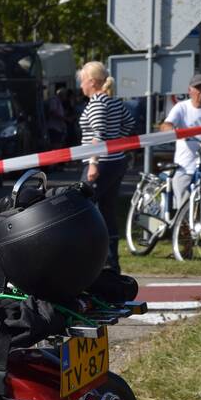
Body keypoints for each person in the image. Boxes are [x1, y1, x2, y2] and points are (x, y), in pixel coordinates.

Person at [78, 61, 135, 274]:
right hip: (116, 162)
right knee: (107, 212)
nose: (81, 85)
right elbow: (129, 124)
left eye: (83, 80)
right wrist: (116, 139)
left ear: (92, 82)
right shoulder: (115, 102)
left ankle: (89, 260)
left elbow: (98, 135)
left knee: (81, 208)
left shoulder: (96, 104)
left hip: (100, 163)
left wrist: (93, 163)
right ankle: (112, 263)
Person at [158, 73, 201, 210]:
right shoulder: (181, 107)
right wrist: (175, 131)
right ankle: (181, 230)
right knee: (182, 207)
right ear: (190, 90)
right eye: (197, 88)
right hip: (184, 166)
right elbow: (166, 125)